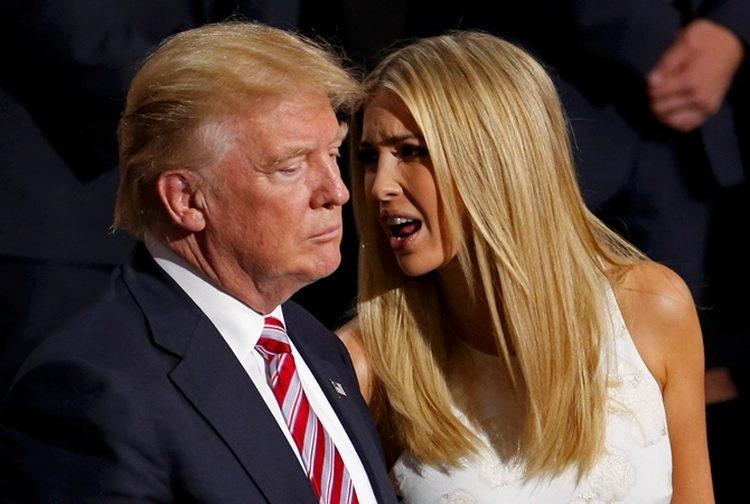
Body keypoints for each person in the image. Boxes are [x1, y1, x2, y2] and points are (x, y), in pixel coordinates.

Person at [0, 22, 398, 504]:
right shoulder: (93, 392)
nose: (337, 192)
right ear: (186, 199)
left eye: (333, 153)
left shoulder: (315, 345)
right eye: (291, 167)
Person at [339, 32, 713, 502]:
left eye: (411, 151)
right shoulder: (367, 367)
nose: (379, 187)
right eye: (369, 158)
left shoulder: (651, 309)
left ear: (496, 158)